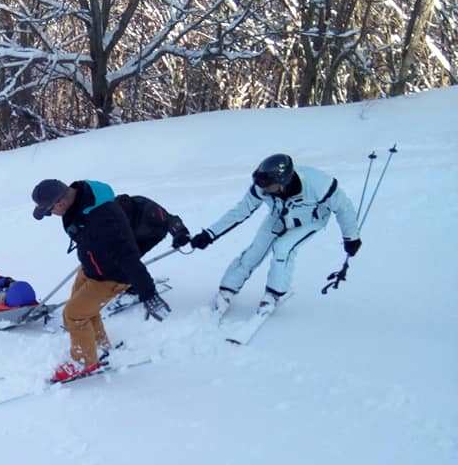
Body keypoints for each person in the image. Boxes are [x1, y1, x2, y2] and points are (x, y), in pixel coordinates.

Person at [32, 179, 172, 382]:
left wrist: (148, 292)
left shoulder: (103, 218)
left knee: (74, 315)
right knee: (83, 310)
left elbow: (128, 256)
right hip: (92, 268)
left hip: (110, 276)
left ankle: (84, 362)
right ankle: (99, 347)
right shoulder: (81, 199)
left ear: (59, 203)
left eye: (49, 211)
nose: (50, 215)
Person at [189, 154, 362, 316]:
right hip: (279, 216)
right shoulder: (262, 186)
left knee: (283, 249)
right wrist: (210, 234)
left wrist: (351, 237)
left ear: (283, 181)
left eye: (267, 186)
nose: (263, 190)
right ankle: (227, 290)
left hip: (311, 220)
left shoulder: (319, 184)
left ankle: (272, 295)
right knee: (254, 251)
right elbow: (240, 211)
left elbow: (343, 208)